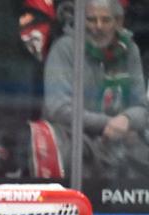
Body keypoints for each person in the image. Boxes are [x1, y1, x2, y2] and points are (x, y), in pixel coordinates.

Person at [42, 0, 149, 182]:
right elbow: (57, 108)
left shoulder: (130, 50)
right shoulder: (65, 49)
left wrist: (127, 119)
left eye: (105, 20)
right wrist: (109, 124)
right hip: (76, 143)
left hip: (122, 146)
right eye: (91, 20)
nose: (98, 27)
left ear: (118, 21)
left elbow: (142, 108)